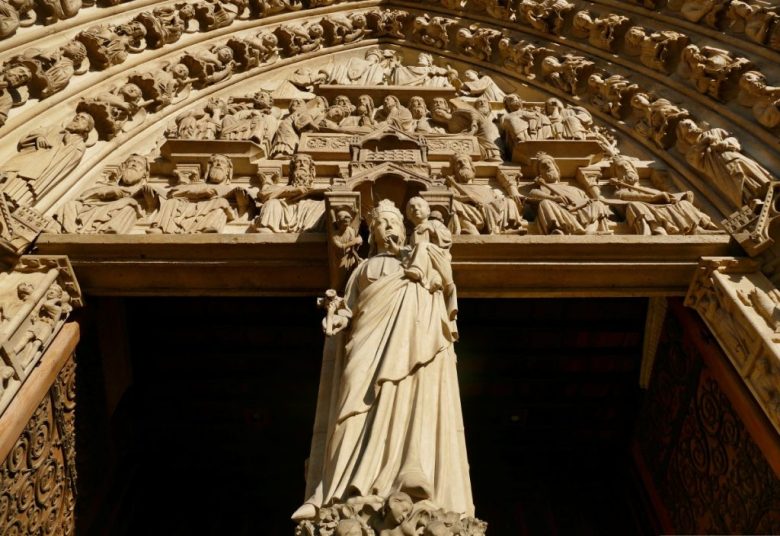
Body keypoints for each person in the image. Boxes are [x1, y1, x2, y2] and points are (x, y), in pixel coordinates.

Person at [293, 199, 474, 522]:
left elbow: (445, 284)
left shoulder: (421, 254)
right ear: (372, 231)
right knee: (350, 407)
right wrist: (338, 318)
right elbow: (349, 305)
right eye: (381, 222)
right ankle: (339, 487)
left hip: (413, 342)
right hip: (367, 343)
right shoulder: (364, 268)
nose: (389, 226)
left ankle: (410, 472)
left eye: (394, 221)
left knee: (412, 401)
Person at [404, 197, 457, 320]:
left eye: (419, 206)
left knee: (423, 246)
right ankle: (434, 280)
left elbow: (447, 237)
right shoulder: (413, 234)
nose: (415, 208)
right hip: (427, 264)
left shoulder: (435, 223)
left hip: (439, 257)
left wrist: (430, 228)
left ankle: (418, 271)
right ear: (408, 216)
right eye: (411, 208)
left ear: (428, 211)